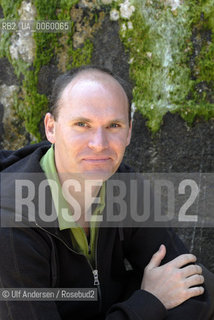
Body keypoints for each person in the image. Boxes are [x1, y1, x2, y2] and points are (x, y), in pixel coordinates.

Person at [0, 66, 211, 319]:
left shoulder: (123, 184)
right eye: (82, 124)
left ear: (129, 132)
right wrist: (148, 304)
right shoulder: (11, 222)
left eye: (113, 125)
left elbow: (192, 282)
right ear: (51, 128)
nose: (99, 144)